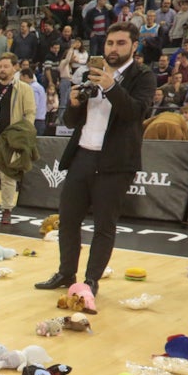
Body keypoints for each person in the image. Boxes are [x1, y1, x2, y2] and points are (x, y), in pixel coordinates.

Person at [36, 23, 157, 295]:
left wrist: (111, 86)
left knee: (104, 225)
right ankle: (66, 273)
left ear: (134, 46)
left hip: (115, 163)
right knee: (68, 220)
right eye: (110, 43)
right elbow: (70, 121)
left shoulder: (143, 76)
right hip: (82, 155)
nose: (113, 48)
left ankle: (91, 280)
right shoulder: (90, 73)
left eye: (121, 43)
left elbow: (135, 112)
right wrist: (74, 103)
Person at [0, 54, 37, 225]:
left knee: (8, 176)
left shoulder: (23, 88)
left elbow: (30, 113)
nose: (2, 69)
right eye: (0, 66)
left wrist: (23, 135)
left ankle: (7, 210)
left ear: (15, 68)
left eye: (5, 66)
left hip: (10, 140)